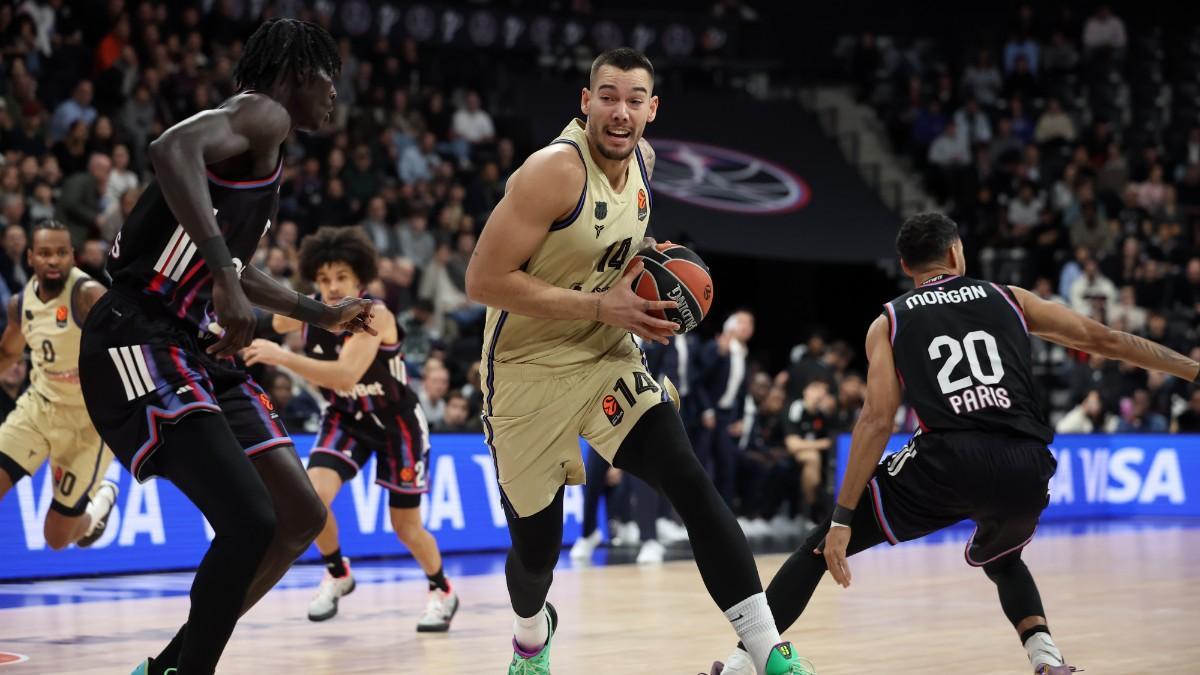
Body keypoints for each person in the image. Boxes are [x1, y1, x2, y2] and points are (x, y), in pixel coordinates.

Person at [710, 212, 1200, 674]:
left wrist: (842, 519)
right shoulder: (1009, 296)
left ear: (905, 267)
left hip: (946, 462)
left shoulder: (890, 321)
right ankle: (1047, 658)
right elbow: (1109, 341)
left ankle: (735, 669)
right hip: (1027, 466)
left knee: (817, 551)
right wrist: (1192, 369)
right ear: (956, 252)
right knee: (1003, 556)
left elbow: (877, 420)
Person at [465, 47, 808, 674]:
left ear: (652, 109)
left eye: (634, 99)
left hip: (604, 356)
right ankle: (530, 635)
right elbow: (482, 281)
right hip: (524, 369)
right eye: (608, 96)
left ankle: (769, 651)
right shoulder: (552, 172)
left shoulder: (646, 164)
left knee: (690, 482)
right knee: (537, 554)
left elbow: (611, 245)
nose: (620, 111)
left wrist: (654, 284)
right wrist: (602, 308)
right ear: (585, 101)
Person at [76, 20, 374, 675]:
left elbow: (237, 268)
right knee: (250, 520)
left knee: (297, 516)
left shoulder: (260, 142)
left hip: (190, 345)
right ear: (297, 74)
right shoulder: (260, 113)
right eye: (329, 80)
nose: (335, 97)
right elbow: (169, 147)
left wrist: (319, 310)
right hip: (137, 335)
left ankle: (171, 666)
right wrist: (218, 269)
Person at [243, 226, 459, 631]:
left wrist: (281, 358)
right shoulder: (308, 314)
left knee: (405, 527)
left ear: (359, 278)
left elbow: (345, 374)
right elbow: (259, 324)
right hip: (345, 416)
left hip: (397, 424)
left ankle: (441, 589)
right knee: (311, 499)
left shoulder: (375, 315)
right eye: (323, 279)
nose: (331, 286)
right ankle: (338, 572)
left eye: (340, 277)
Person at [0, 220, 116, 551]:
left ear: (72, 257)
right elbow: (8, 352)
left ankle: (98, 507)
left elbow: (131, 344)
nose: (54, 261)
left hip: (86, 422)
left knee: (56, 539)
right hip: (39, 407)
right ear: (30, 258)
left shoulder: (88, 295)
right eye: (46, 254)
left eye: (62, 253)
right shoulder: (20, 304)